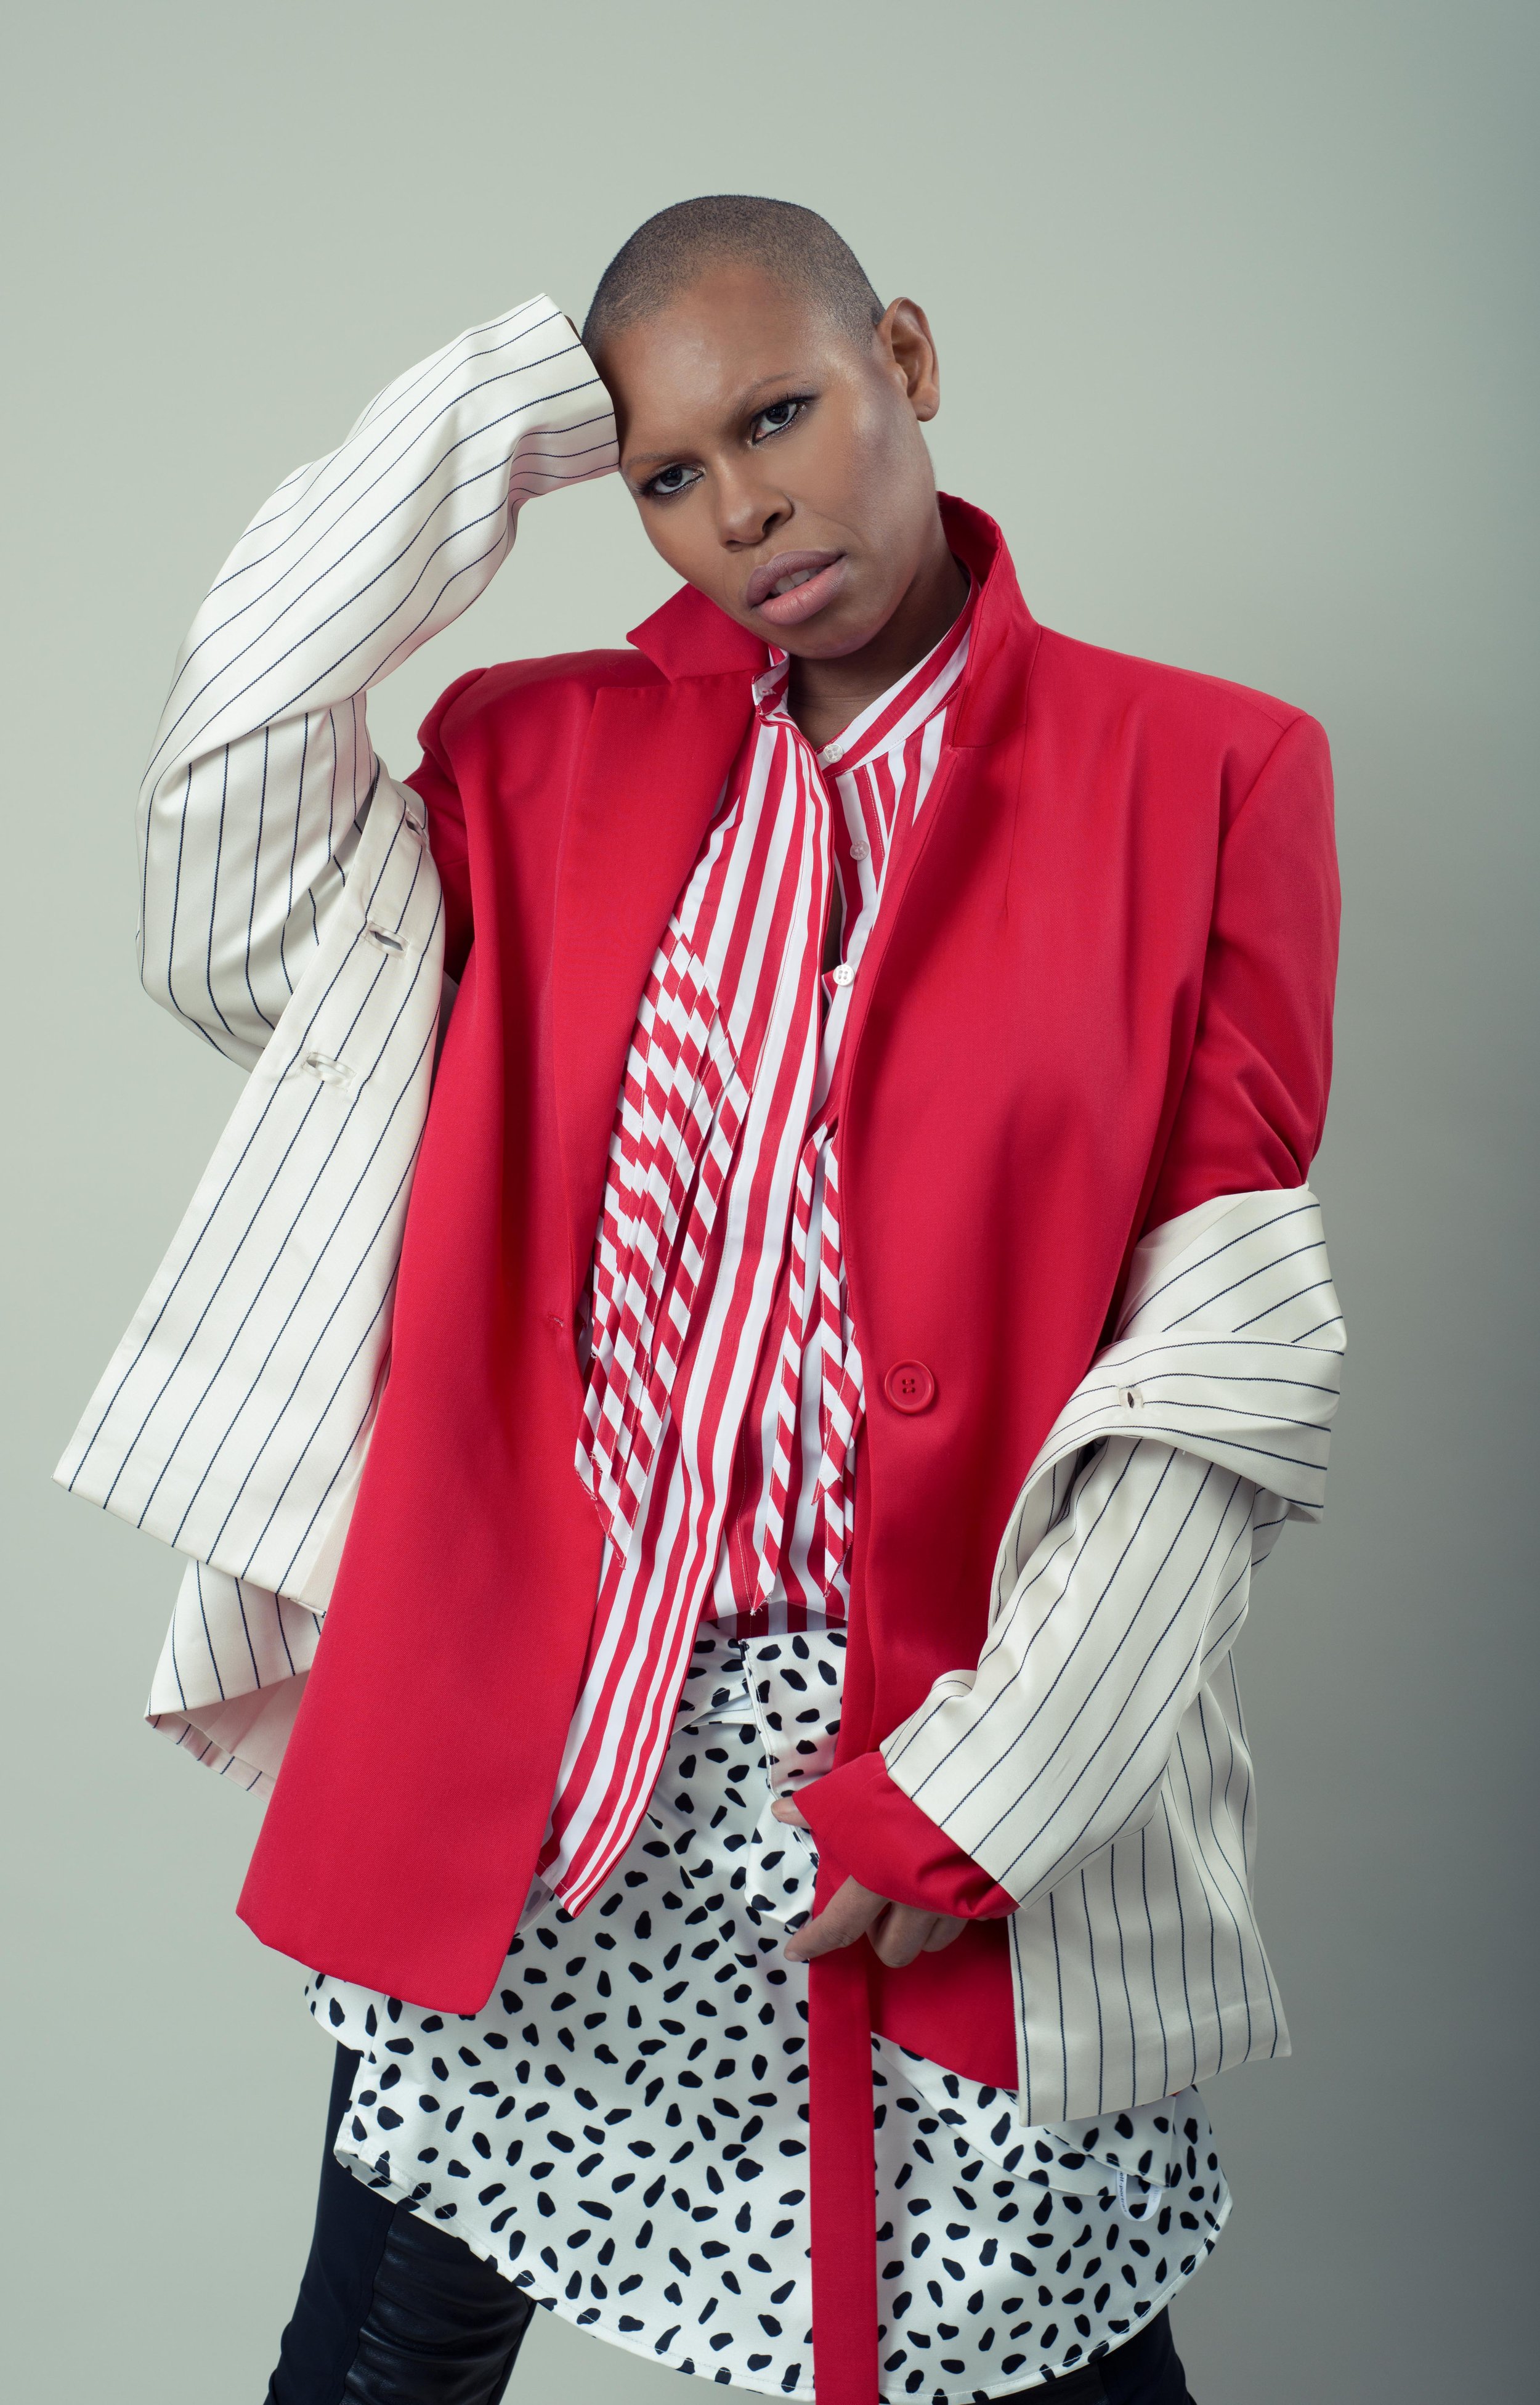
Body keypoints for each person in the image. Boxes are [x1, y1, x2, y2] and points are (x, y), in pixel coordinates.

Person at [57, 197, 1343, 2405]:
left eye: (779, 414)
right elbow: (215, 865)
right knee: (386, 2351)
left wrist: (985, 1793)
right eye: (666, 472)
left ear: (906, 362)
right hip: (547, 1741)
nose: (742, 510)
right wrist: (510, 407)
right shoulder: (526, 761)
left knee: (1017, 2337)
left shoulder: (1203, 773)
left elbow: (1223, 1357)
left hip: (938, 1733)